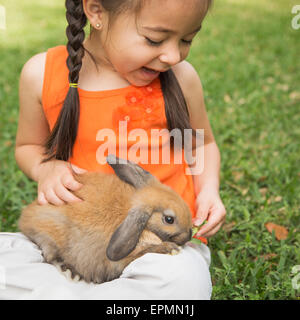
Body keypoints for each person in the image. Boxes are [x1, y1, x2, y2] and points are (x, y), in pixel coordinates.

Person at [1, 0, 226, 300]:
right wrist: (45, 167)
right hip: (74, 239)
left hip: (155, 250)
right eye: (154, 39)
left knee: (183, 281)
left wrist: (208, 191)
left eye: (187, 39)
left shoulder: (182, 79)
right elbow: (28, 146)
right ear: (96, 12)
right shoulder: (42, 73)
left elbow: (202, 144)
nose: (173, 55)